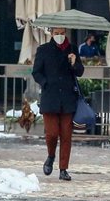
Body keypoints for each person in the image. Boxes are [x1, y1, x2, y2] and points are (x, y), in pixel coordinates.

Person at [32, 27, 84, 181]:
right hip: (50, 97)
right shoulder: (44, 50)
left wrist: (74, 63)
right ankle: (50, 156)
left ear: (66, 33)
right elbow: (36, 72)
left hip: (68, 98)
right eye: (56, 34)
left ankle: (63, 169)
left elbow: (80, 71)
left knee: (66, 136)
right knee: (52, 133)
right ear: (51, 34)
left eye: (62, 33)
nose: (59, 36)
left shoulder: (72, 49)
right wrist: (45, 83)